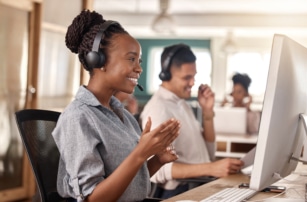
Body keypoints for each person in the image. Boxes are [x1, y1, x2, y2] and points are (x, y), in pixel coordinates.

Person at [52, 10, 181, 202]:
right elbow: (93, 199)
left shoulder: (124, 116)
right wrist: (140, 153)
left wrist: (157, 159)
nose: (139, 68)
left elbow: (129, 182)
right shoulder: (78, 117)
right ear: (99, 60)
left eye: (140, 61)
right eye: (131, 59)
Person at [140, 43, 244, 199]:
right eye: (187, 77)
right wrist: (211, 168)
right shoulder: (158, 109)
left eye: (193, 76)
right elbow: (158, 171)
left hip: (199, 183)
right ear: (166, 75)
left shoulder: (182, 104)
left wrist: (207, 111)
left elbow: (208, 153)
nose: (192, 83)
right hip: (180, 191)